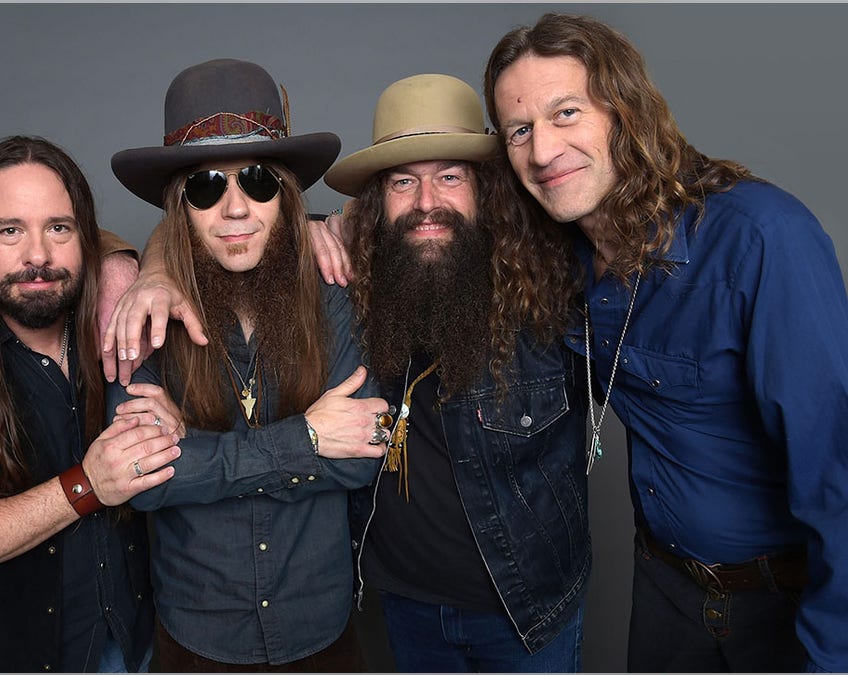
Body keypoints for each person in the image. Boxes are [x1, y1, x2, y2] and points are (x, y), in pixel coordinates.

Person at [484, 13, 848, 672]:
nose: (542, 151)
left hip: (782, 608)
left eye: (566, 113)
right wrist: (334, 229)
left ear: (625, 110)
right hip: (665, 596)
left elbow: (840, 479)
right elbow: (428, 238)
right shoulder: (552, 259)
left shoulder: (761, 239)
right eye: (520, 130)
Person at [106, 58, 390, 671]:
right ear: (180, 208)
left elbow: (366, 458)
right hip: (196, 634)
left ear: (286, 197)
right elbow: (146, 482)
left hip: (322, 630)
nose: (235, 209)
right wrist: (312, 438)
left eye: (258, 181)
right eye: (207, 186)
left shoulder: (338, 296)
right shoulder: (145, 321)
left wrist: (198, 455)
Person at [321, 73, 589, 672]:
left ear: (485, 189)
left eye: (449, 177)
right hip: (406, 607)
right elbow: (226, 232)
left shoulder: (559, 283)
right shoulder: (353, 277)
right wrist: (145, 268)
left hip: (528, 614)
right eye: (402, 183)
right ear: (375, 202)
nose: (425, 203)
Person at [0, 135, 179, 673]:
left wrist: (171, 428)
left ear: (85, 238)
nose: (37, 255)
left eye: (58, 229)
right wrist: (87, 486)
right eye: (10, 231)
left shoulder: (119, 333)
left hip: (128, 648)